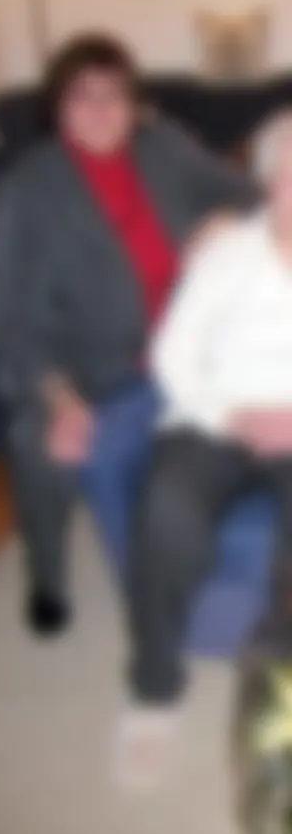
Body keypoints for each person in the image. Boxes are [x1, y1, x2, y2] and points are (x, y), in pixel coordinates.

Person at [0, 34, 256, 637]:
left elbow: (249, 197)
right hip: (86, 370)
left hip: (199, 352)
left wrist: (224, 218)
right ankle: (49, 576)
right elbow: (9, 314)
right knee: (41, 445)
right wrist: (60, 397)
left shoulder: (163, 150)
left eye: (115, 96)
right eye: (84, 96)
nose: (102, 110)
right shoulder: (30, 187)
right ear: (60, 108)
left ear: (136, 106)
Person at [113, 109, 292, 788]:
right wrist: (237, 416)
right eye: (288, 177)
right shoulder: (228, 252)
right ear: (266, 181)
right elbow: (176, 354)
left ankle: (276, 690)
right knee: (168, 507)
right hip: (220, 421)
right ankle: (154, 689)